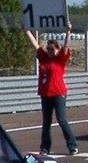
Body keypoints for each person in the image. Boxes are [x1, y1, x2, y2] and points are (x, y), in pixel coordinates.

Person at [24, 23, 78, 156]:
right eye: (48, 48)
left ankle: (72, 145)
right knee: (46, 122)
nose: (50, 51)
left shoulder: (60, 59)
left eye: (52, 49)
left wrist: (68, 32)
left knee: (61, 119)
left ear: (57, 49)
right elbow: (36, 45)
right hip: (45, 94)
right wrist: (27, 31)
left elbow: (66, 46)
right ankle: (45, 147)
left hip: (58, 93)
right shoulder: (43, 58)